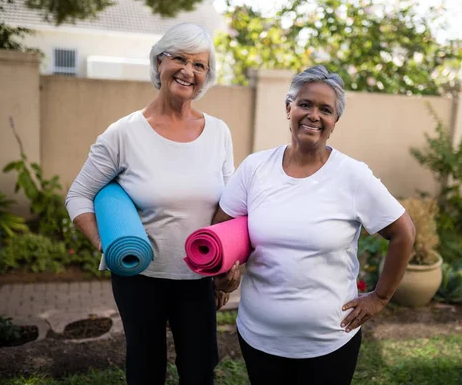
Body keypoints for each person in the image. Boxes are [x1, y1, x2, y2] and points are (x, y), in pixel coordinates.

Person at [212, 65, 416, 385]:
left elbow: (403, 232)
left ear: (335, 121)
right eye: (305, 104)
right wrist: (222, 276)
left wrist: (381, 297)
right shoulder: (255, 168)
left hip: (329, 342)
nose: (313, 115)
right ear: (288, 108)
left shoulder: (352, 175)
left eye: (326, 109)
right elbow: (221, 232)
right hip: (259, 337)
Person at [65, 22, 240, 385]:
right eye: (179, 58)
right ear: (160, 61)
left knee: (199, 370)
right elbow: (78, 194)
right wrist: (107, 244)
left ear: (206, 77)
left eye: (199, 65)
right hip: (140, 278)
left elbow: (230, 205)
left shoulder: (219, 133)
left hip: (198, 277)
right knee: (145, 371)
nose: (188, 71)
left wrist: (228, 262)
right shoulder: (123, 133)